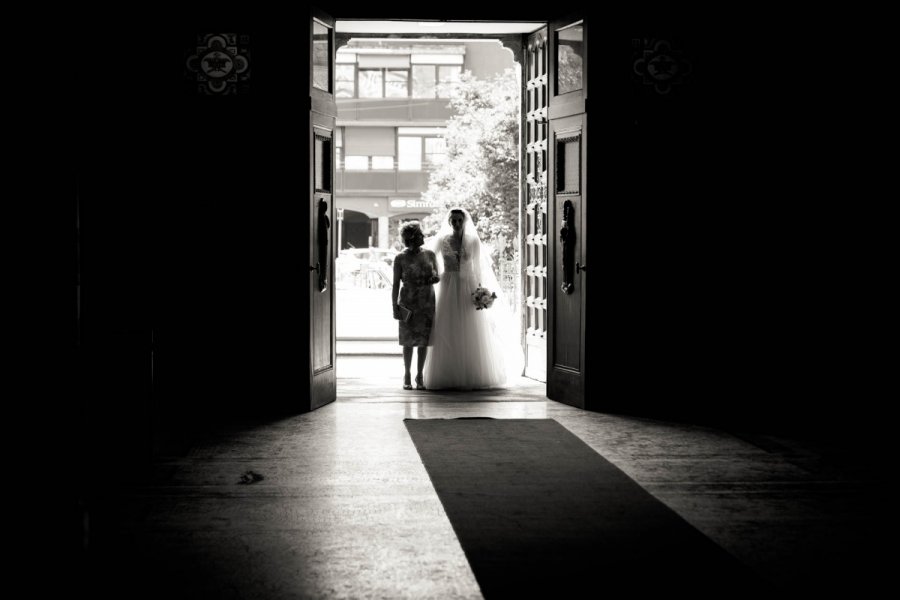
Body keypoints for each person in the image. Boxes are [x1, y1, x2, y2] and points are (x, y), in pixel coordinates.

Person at [423, 208, 520, 389]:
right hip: (448, 285)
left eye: (460, 220)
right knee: (448, 326)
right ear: (449, 222)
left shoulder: (473, 241)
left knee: (470, 326)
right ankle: (447, 374)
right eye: (454, 220)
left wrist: (481, 291)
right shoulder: (442, 240)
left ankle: (472, 372)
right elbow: (428, 257)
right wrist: (433, 272)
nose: (457, 223)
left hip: (468, 286)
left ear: (465, 221)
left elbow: (478, 267)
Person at [391, 222, 440, 390]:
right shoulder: (400, 258)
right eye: (420, 235)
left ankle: (420, 375)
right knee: (408, 341)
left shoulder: (430, 254)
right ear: (411, 238)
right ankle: (407, 374)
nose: (423, 237)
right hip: (408, 301)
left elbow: (437, 276)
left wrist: (434, 279)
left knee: (423, 341)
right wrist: (394, 306)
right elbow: (396, 284)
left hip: (427, 299)